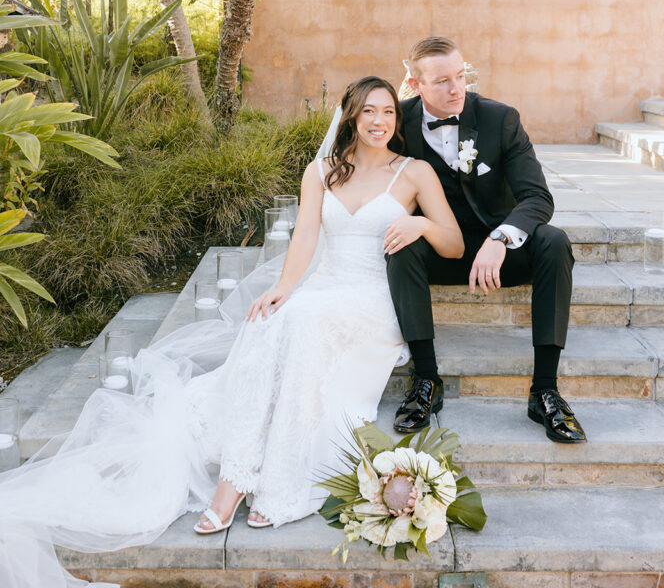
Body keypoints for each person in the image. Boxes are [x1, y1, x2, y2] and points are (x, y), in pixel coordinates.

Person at [0, 76, 463, 588]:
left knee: (302, 324)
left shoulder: (415, 173)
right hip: (321, 290)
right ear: (351, 116)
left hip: (373, 301)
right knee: (272, 321)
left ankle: (277, 485)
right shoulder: (322, 171)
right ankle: (236, 480)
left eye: (389, 113)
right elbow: (306, 238)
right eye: (369, 111)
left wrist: (420, 226)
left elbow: (454, 244)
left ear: (398, 121)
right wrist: (284, 288)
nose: (380, 121)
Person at [386, 36, 586, 445]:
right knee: (401, 243)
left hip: (498, 255)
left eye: (461, 76)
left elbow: (538, 198)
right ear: (415, 82)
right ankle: (425, 380)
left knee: (553, 241)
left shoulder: (501, 119)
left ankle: (544, 389)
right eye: (442, 81)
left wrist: (500, 238)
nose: (456, 88)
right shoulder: (397, 123)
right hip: (439, 250)